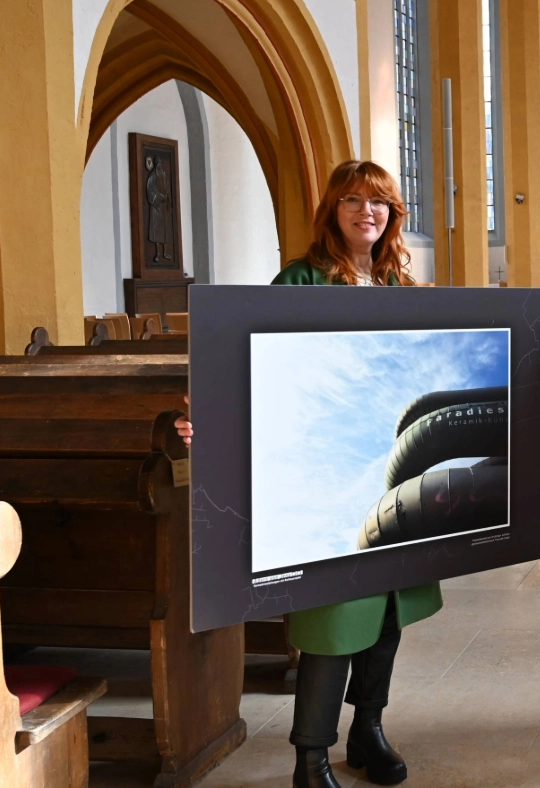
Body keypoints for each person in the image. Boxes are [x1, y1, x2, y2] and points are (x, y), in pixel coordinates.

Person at [175, 160, 437, 788]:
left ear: (391, 213)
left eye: (376, 203)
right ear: (332, 211)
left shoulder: (400, 281)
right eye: (351, 201)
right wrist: (211, 418)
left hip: (391, 466)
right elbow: (256, 357)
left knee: (388, 611)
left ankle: (367, 732)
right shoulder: (299, 278)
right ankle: (310, 758)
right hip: (328, 470)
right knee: (332, 616)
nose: (365, 212)